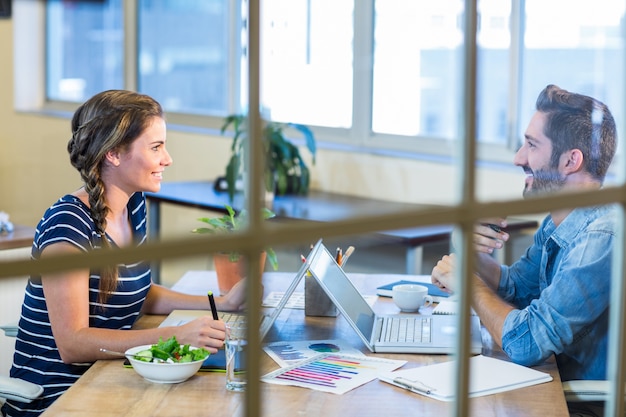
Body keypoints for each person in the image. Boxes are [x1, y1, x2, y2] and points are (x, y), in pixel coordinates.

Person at [1, 90, 247, 417]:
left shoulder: (133, 206)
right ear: (114, 153)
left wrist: (223, 302)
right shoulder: (68, 226)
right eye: (156, 147)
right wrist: (176, 335)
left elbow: (134, 293)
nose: (168, 159)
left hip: (110, 377)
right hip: (61, 398)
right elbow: (72, 344)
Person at [431, 85, 617, 401]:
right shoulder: (560, 222)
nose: (519, 158)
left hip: (578, 402)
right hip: (548, 382)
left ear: (571, 161)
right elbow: (517, 288)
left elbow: (526, 343)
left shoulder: (600, 239)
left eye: (531, 145)